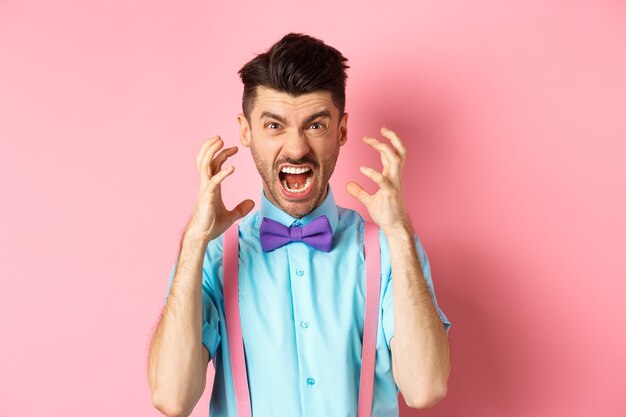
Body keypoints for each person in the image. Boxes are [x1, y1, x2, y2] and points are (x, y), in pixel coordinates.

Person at [147, 33, 451, 417]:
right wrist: (193, 243)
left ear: (341, 131)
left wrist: (400, 233)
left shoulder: (391, 249)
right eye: (274, 126)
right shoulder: (211, 254)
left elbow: (425, 388)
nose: (295, 149)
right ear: (246, 132)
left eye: (315, 126)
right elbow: (171, 398)